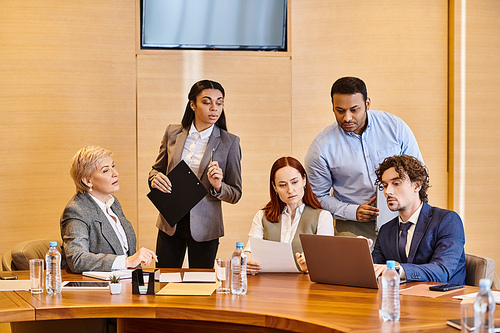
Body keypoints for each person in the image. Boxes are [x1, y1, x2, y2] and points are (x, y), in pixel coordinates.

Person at [304, 76, 423, 240]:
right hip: (352, 225)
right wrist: (352, 211)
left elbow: (418, 174)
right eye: (340, 110)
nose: (347, 118)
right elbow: (317, 196)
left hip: (401, 218)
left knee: (401, 266)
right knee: (354, 266)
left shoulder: (395, 128)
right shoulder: (321, 148)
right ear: (332, 106)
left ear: (367, 104)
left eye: (354, 109)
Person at [149, 79, 242, 269]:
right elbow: (156, 169)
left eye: (219, 102)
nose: (214, 108)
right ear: (192, 104)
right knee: (164, 279)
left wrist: (218, 186)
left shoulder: (229, 142)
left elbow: (236, 193)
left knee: (201, 287)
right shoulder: (172, 133)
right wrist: (153, 178)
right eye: (207, 102)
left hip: (206, 227)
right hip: (171, 222)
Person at [61, 146, 157, 274]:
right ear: (87, 181)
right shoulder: (76, 210)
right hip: (97, 289)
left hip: (125, 283)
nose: (115, 173)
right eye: (106, 170)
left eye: (113, 166)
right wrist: (127, 261)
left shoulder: (112, 202)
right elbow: (77, 259)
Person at [372, 155, 466, 284]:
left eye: (396, 183)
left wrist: (399, 270)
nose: (388, 191)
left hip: (443, 300)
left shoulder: (448, 220)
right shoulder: (386, 230)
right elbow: (374, 271)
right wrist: (361, 254)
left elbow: (442, 271)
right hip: (401, 300)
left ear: (417, 186)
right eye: (385, 185)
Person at [245, 156, 334, 274]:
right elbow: (249, 250)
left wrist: (309, 265)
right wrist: (247, 263)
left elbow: (325, 259)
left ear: (304, 180)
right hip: (269, 284)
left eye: (294, 182)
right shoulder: (262, 216)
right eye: (282, 185)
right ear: (274, 187)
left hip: (306, 287)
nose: (290, 190)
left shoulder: (323, 217)